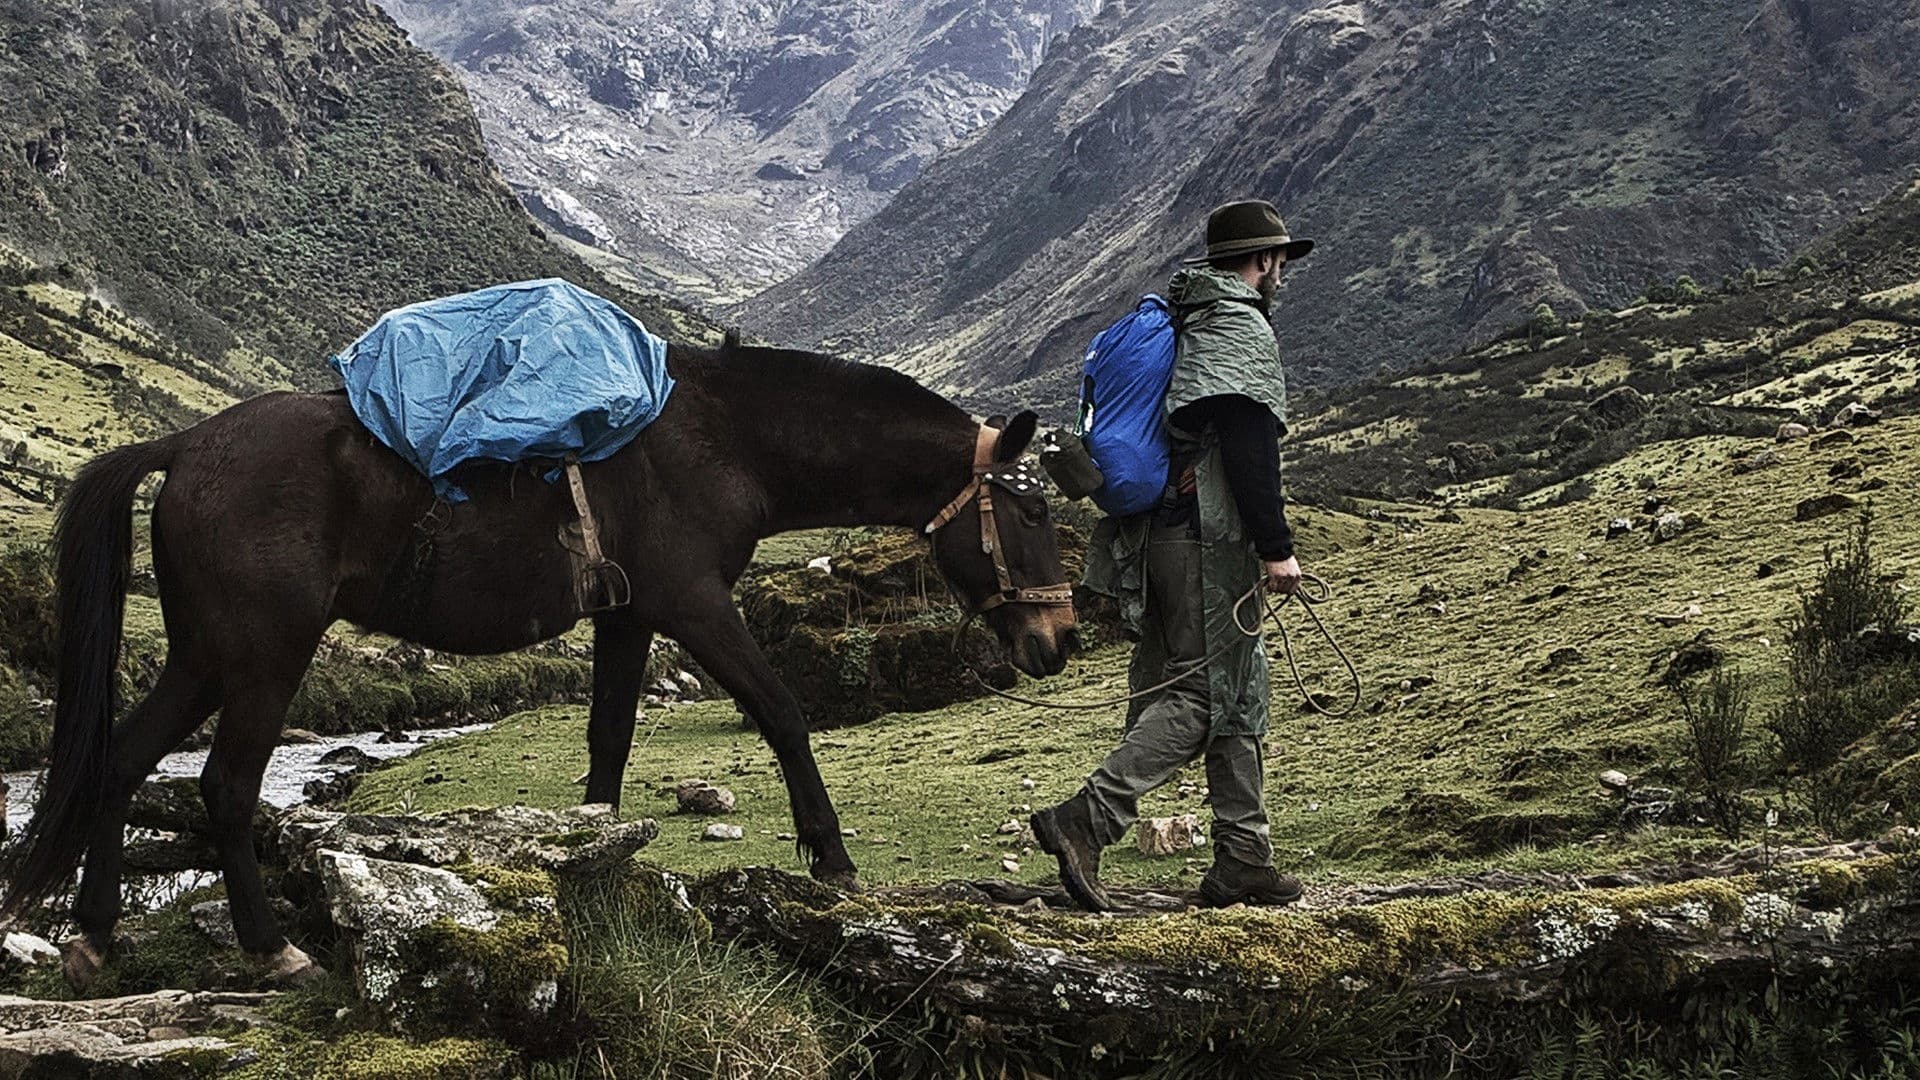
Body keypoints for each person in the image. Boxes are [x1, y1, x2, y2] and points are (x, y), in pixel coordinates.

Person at [1031, 199, 1311, 912]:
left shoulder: (1183, 316)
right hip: (1205, 541)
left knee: (1237, 684)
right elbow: (1249, 445)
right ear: (1264, 262)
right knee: (1209, 690)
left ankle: (1243, 857)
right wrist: (1276, 548)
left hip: (1156, 535)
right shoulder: (1237, 324)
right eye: (1278, 262)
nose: (1279, 275)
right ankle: (1085, 820)